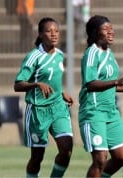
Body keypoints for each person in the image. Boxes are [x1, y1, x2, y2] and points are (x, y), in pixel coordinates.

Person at [14, 17, 74, 178]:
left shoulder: (60, 55)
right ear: (40, 35)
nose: (54, 34)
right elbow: (18, 85)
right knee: (37, 157)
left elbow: (53, 80)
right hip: (37, 112)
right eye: (49, 31)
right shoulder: (34, 57)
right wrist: (36, 84)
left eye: (56, 31)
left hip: (58, 108)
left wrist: (61, 93)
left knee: (67, 149)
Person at [78, 15, 123, 178]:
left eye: (111, 28)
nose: (111, 32)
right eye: (106, 29)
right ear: (95, 33)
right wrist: (116, 82)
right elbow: (90, 84)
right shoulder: (91, 53)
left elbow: (107, 84)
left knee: (122, 157)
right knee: (100, 160)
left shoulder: (109, 54)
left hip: (111, 113)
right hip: (93, 112)